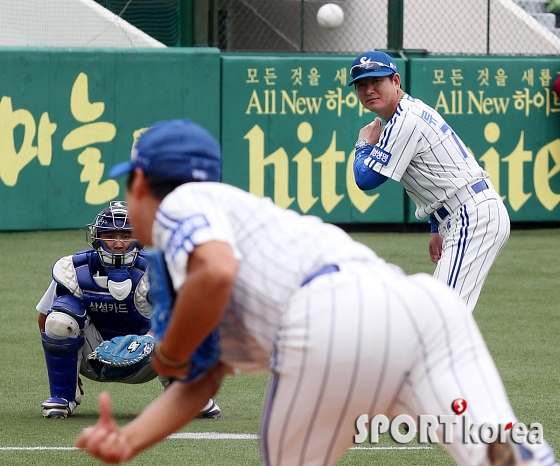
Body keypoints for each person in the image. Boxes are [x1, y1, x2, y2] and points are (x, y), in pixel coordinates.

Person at [75, 119, 556, 466]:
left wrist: (169, 353)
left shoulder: (184, 205)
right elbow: (201, 382)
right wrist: (130, 440)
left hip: (331, 318)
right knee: (493, 446)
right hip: (424, 308)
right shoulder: (231, 227)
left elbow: (217, 272)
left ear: (139, 182)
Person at [349, 50, 510, 313]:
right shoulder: (407, 113)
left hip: (472, 215)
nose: (369, 90)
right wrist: (435, 226)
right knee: (441, 313)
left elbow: (366, 179)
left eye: (376, 81)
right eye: (361, 84)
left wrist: (363, 145)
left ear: (396, 80)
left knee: (441, 314)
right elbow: (435, 173)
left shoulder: (405, 121)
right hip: (464, 212)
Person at [37, 200, 220, 419]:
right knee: (60, 318)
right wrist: (65, 368)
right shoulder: (74, 270)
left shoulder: (158, 270)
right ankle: (64, 396)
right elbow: (45, 319)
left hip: (148, 359)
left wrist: (149, 340)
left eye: (125, 236)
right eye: (110, 236)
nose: (117, 244)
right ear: (97, 238)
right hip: (92, 358)